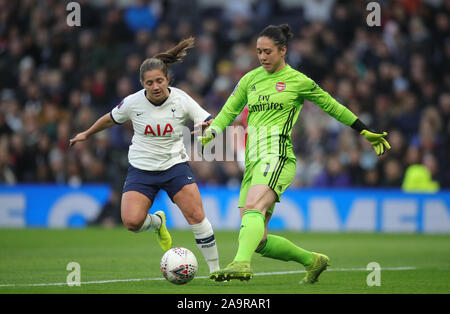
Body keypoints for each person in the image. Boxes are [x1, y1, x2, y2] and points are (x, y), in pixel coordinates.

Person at [198, 24, 391, 283]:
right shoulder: (249, 80)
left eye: (268, 51)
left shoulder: (298, 81)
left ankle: (241, 263)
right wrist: (210, 134)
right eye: (259, 52)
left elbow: (332, 106)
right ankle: (313, 261)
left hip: (277, 156)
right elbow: (229, 112)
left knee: (254, 208)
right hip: (253, 161)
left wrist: (364, 131)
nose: (262, 57)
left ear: (283, 50)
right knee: (258, 239)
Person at [69, 38, 220, 274]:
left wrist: (207, 126)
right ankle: (157, 222)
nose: (156, 86)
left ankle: (215, 270)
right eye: (150, 82)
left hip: (175, 166)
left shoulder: (181, 99)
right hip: (141, 169)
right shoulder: (132, 102)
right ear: (142, 84)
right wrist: (87, 133)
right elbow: (110, 118)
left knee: (197, 216)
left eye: (160, 80)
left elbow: (206, 117)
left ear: (168, 79)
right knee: (131, 222)